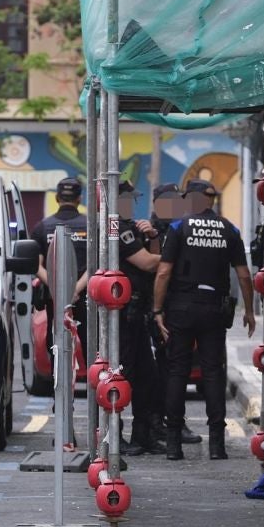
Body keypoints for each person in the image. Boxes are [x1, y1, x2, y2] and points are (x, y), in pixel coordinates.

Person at [154, 178, 255, 461]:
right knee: (213, 373)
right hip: (214, 309)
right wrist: (248, 310)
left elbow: (163, 272)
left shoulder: (178, 227)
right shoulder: (230, 229)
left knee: (177, 371)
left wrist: (157, 310)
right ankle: (216, 445)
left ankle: (173, 444)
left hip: (181, 308)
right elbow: (244, 275)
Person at [113, 181, 162, 454]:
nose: (132, 204)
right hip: (122, 317)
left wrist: (153, 237)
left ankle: (143, 436)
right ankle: (115, 436)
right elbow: (147, 263)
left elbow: (151, 261)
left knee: (147, 378)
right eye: (128, 199)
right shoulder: (117, 229)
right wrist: (176, 254)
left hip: (137, 314)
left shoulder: (132, 228)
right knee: (122, 377)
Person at [147, 184, 197, 447]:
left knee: (175, 367)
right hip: (156, 308)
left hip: (178, 305)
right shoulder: (149, 230)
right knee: (159, 370)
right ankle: (157, 422)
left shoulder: (184, 228)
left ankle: (172, 421)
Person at [32, 175, 90, 394]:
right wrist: (76, 289)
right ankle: (96, 402)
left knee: (56, 345)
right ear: (79, 198)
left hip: (55, 299)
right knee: (89, 345)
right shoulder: (90, 225)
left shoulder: (42, 227)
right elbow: (96, 265)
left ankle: (61, 398)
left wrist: (59, 289)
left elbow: (37, 266)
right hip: (84, 297)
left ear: (57, 198)